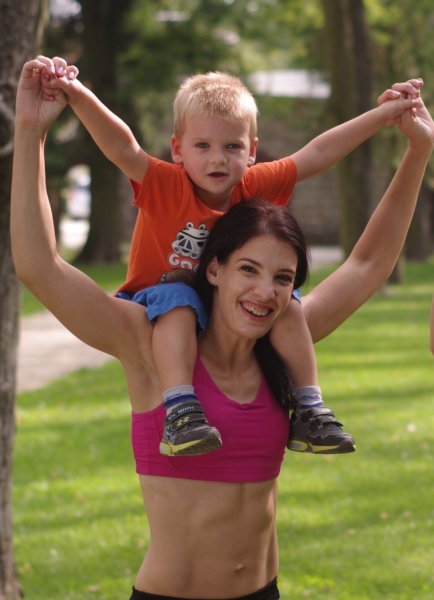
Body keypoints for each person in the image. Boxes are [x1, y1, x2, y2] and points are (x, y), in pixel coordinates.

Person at [12, 59, 434, 599]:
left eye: (283, 279)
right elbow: (40, 266)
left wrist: (417, 151)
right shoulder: (148, 343)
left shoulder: (282, 344)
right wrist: (31, 133)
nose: (265, 293)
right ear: (215, 270)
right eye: (248, 271)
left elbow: (367, 264)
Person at [34, 55, 423, 458]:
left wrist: (382, 116)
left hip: (221, 298)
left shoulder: (254, 185)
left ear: (251, 151)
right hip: (158, 298)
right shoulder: (164, 184)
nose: (217, 159)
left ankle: (309, 406)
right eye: (202, 146)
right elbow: (122, 146)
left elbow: (319, 152)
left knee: (289, 305)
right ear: (178, 149)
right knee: (179, 302)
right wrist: (76, 94)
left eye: (232, 146)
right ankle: (180, 409)